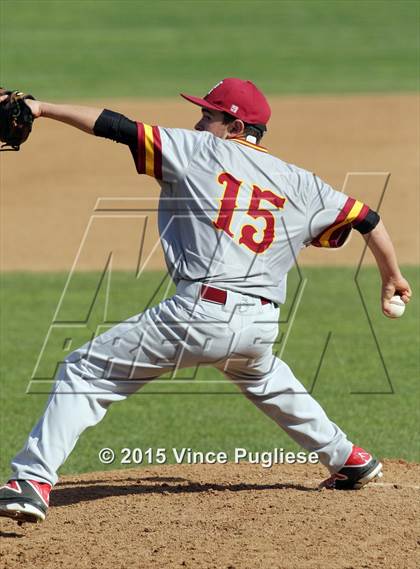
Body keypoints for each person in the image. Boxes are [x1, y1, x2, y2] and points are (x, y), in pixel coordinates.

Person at [0, 78, 411, 524]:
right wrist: (392, 275)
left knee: (86, 369)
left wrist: (41, 109)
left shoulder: (197, 149)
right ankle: (348, 459)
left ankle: (31, 480)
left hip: (199, 312)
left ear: (234, 126)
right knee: (264, 377)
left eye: (208, 115)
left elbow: (115, 126)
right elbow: (367, 217)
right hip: (260, 324)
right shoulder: (304, 183)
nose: (198, 122)